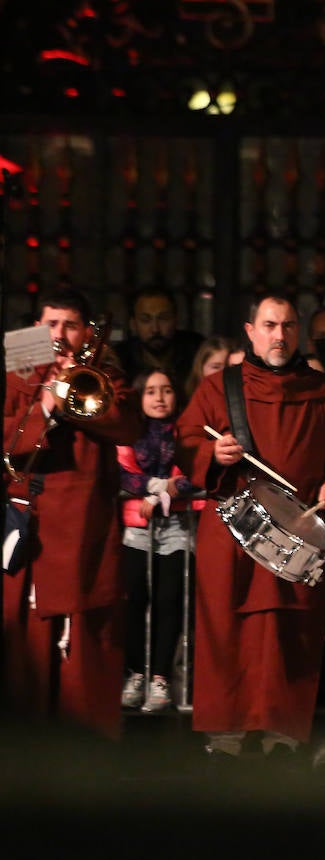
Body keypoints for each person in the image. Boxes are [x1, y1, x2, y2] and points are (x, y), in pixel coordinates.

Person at [176, 294, 325, 761]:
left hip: (297, 529)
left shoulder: (322, 392)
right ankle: (226, 733)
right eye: (270, 325)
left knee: (290, 630)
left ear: (297, 332)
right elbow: (185, 440)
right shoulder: (220, 388)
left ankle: (283, 732)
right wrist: (210, 456)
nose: (279, 335)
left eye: (287, 326)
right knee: (225, 627)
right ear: (251, 330)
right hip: (231, 529)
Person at [3, 287, 143, 737]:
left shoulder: (104, 373)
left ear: (86, 331)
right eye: (50, 325)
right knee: (23, 649)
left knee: (86, 647)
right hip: (31, 522)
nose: (59, 335)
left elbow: (128, 426)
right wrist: (45, 402)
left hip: (85, 529)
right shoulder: (16, 375)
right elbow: (8, 442)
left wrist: (74, 387)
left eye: (69, 325)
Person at [118, 368, 197, 713]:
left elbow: (192, 471)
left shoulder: (186, 431)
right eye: (151, 391)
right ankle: (136, 672)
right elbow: (124, 472)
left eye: (166, 390)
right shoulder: (128, 431)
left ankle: (160, 678)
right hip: (136, 527)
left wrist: (166, 491)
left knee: (169, 602)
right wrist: (155, 488)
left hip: (178, 526)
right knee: (135, 601)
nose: (160, 397)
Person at [115, 286, 205, 392]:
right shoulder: (121, 359)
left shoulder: (197, 351)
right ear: (133, 324)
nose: (155, 329)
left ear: (176, 320)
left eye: (163, 318)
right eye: (145, 320)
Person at [185, 335, 235, 402]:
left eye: (229, 367)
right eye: (216, 367)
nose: (223, 372)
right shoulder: (188, 401)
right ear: (201, 367)